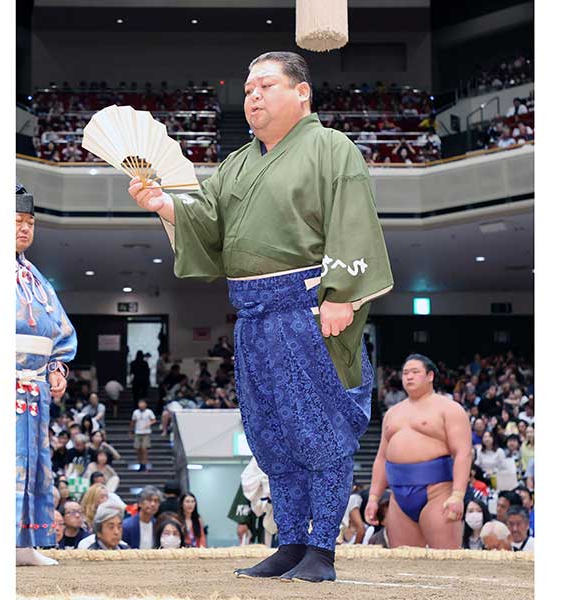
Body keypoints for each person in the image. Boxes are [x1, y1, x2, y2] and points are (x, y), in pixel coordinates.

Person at [128, 51, 392, 583]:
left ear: (301, 93)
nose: (252, 95)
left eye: (265, 85)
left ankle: (323, 548)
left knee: (320, 428)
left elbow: (352, 218)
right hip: (251, 315)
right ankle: (290, 541)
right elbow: (206, 219)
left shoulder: (331, 148)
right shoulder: (235, 164)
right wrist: (163, 204)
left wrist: (342, 296)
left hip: (309, 308)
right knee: (271, 436)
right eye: (248, 88)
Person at [15, 184, 78, 567]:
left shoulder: (37, 277)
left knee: (34, 463)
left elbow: (59, 329)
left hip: (34, 386)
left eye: (30, 223)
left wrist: (57, 367)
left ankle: (23, 544)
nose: (25, 229)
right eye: (17, 221)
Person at [365, 354, 472, 550]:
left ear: (430, 376)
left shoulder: (449, 409)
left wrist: (457, 495)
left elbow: (463, 453)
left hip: (437, 492)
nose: (409, 377)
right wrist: (373, 497)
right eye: (405, 373)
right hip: (398, 495)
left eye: (415, 372)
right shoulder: (392, 413)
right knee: (405, 562)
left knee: (445, 560)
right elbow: (381, 458)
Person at [131, 398, 156, 471]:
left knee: (144, 448)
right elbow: (133, 421)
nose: (141, 405)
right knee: (138, 449)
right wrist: (131, 430)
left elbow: (154, 420)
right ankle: (140, 463)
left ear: (145, 405)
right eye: (140, 404)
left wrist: (149, 423)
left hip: (146, 432)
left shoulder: (149, 412)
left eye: (142, 404)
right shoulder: (135, 412)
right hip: (138, 432)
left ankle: (144, 464)